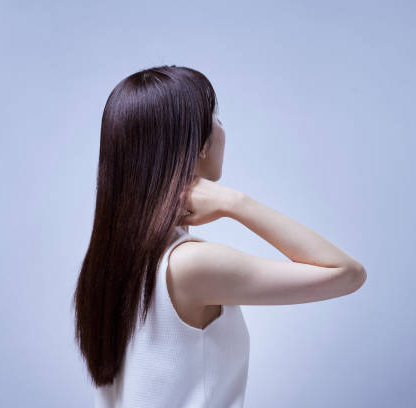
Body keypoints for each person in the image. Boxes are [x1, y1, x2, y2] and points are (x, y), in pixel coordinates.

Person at [72, 65, 367, 408]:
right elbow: (348, 273)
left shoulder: (109, 263)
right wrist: (235, 202)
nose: (223, 128)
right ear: (196, 144)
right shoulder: (189, 264)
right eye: (216, 117)